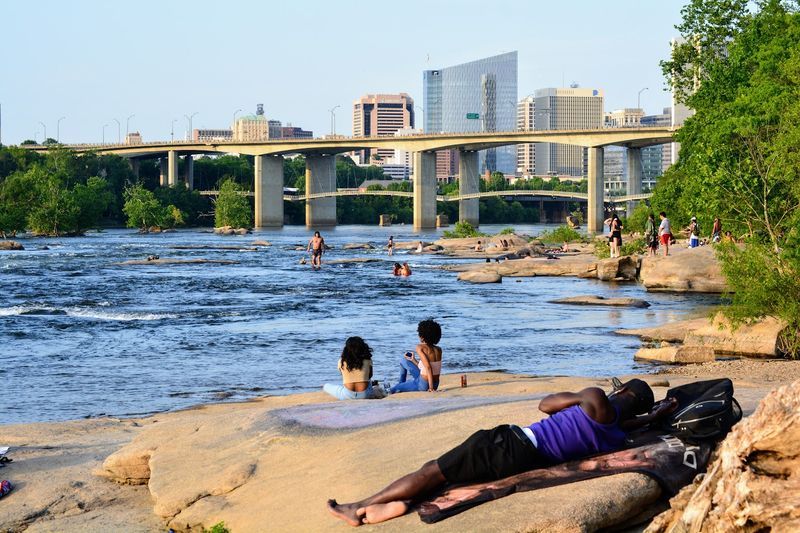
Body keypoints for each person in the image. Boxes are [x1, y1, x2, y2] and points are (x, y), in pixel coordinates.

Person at [327, 379, 678, 526]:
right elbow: (627, 426)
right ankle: (399, 504)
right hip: (524, 459)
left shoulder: (597, 399)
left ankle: (356, 507)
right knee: (441, 472)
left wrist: (578, 399)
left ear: (626, 393)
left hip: (512, 443)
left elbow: (545, 405)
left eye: (623, 388)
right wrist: (653, 417)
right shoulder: (615, 435)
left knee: (432, 469)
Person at [389, 319, 441, 394]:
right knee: (403, 359)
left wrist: (431, 388)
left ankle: (400, 385)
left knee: (395, 388)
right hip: (435, 383)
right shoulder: (439, 349)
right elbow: (430, 367)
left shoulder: (420, 347)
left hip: (424, 384)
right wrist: (414, 360)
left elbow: (428, 367)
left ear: (422, 336)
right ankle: (401, 384)